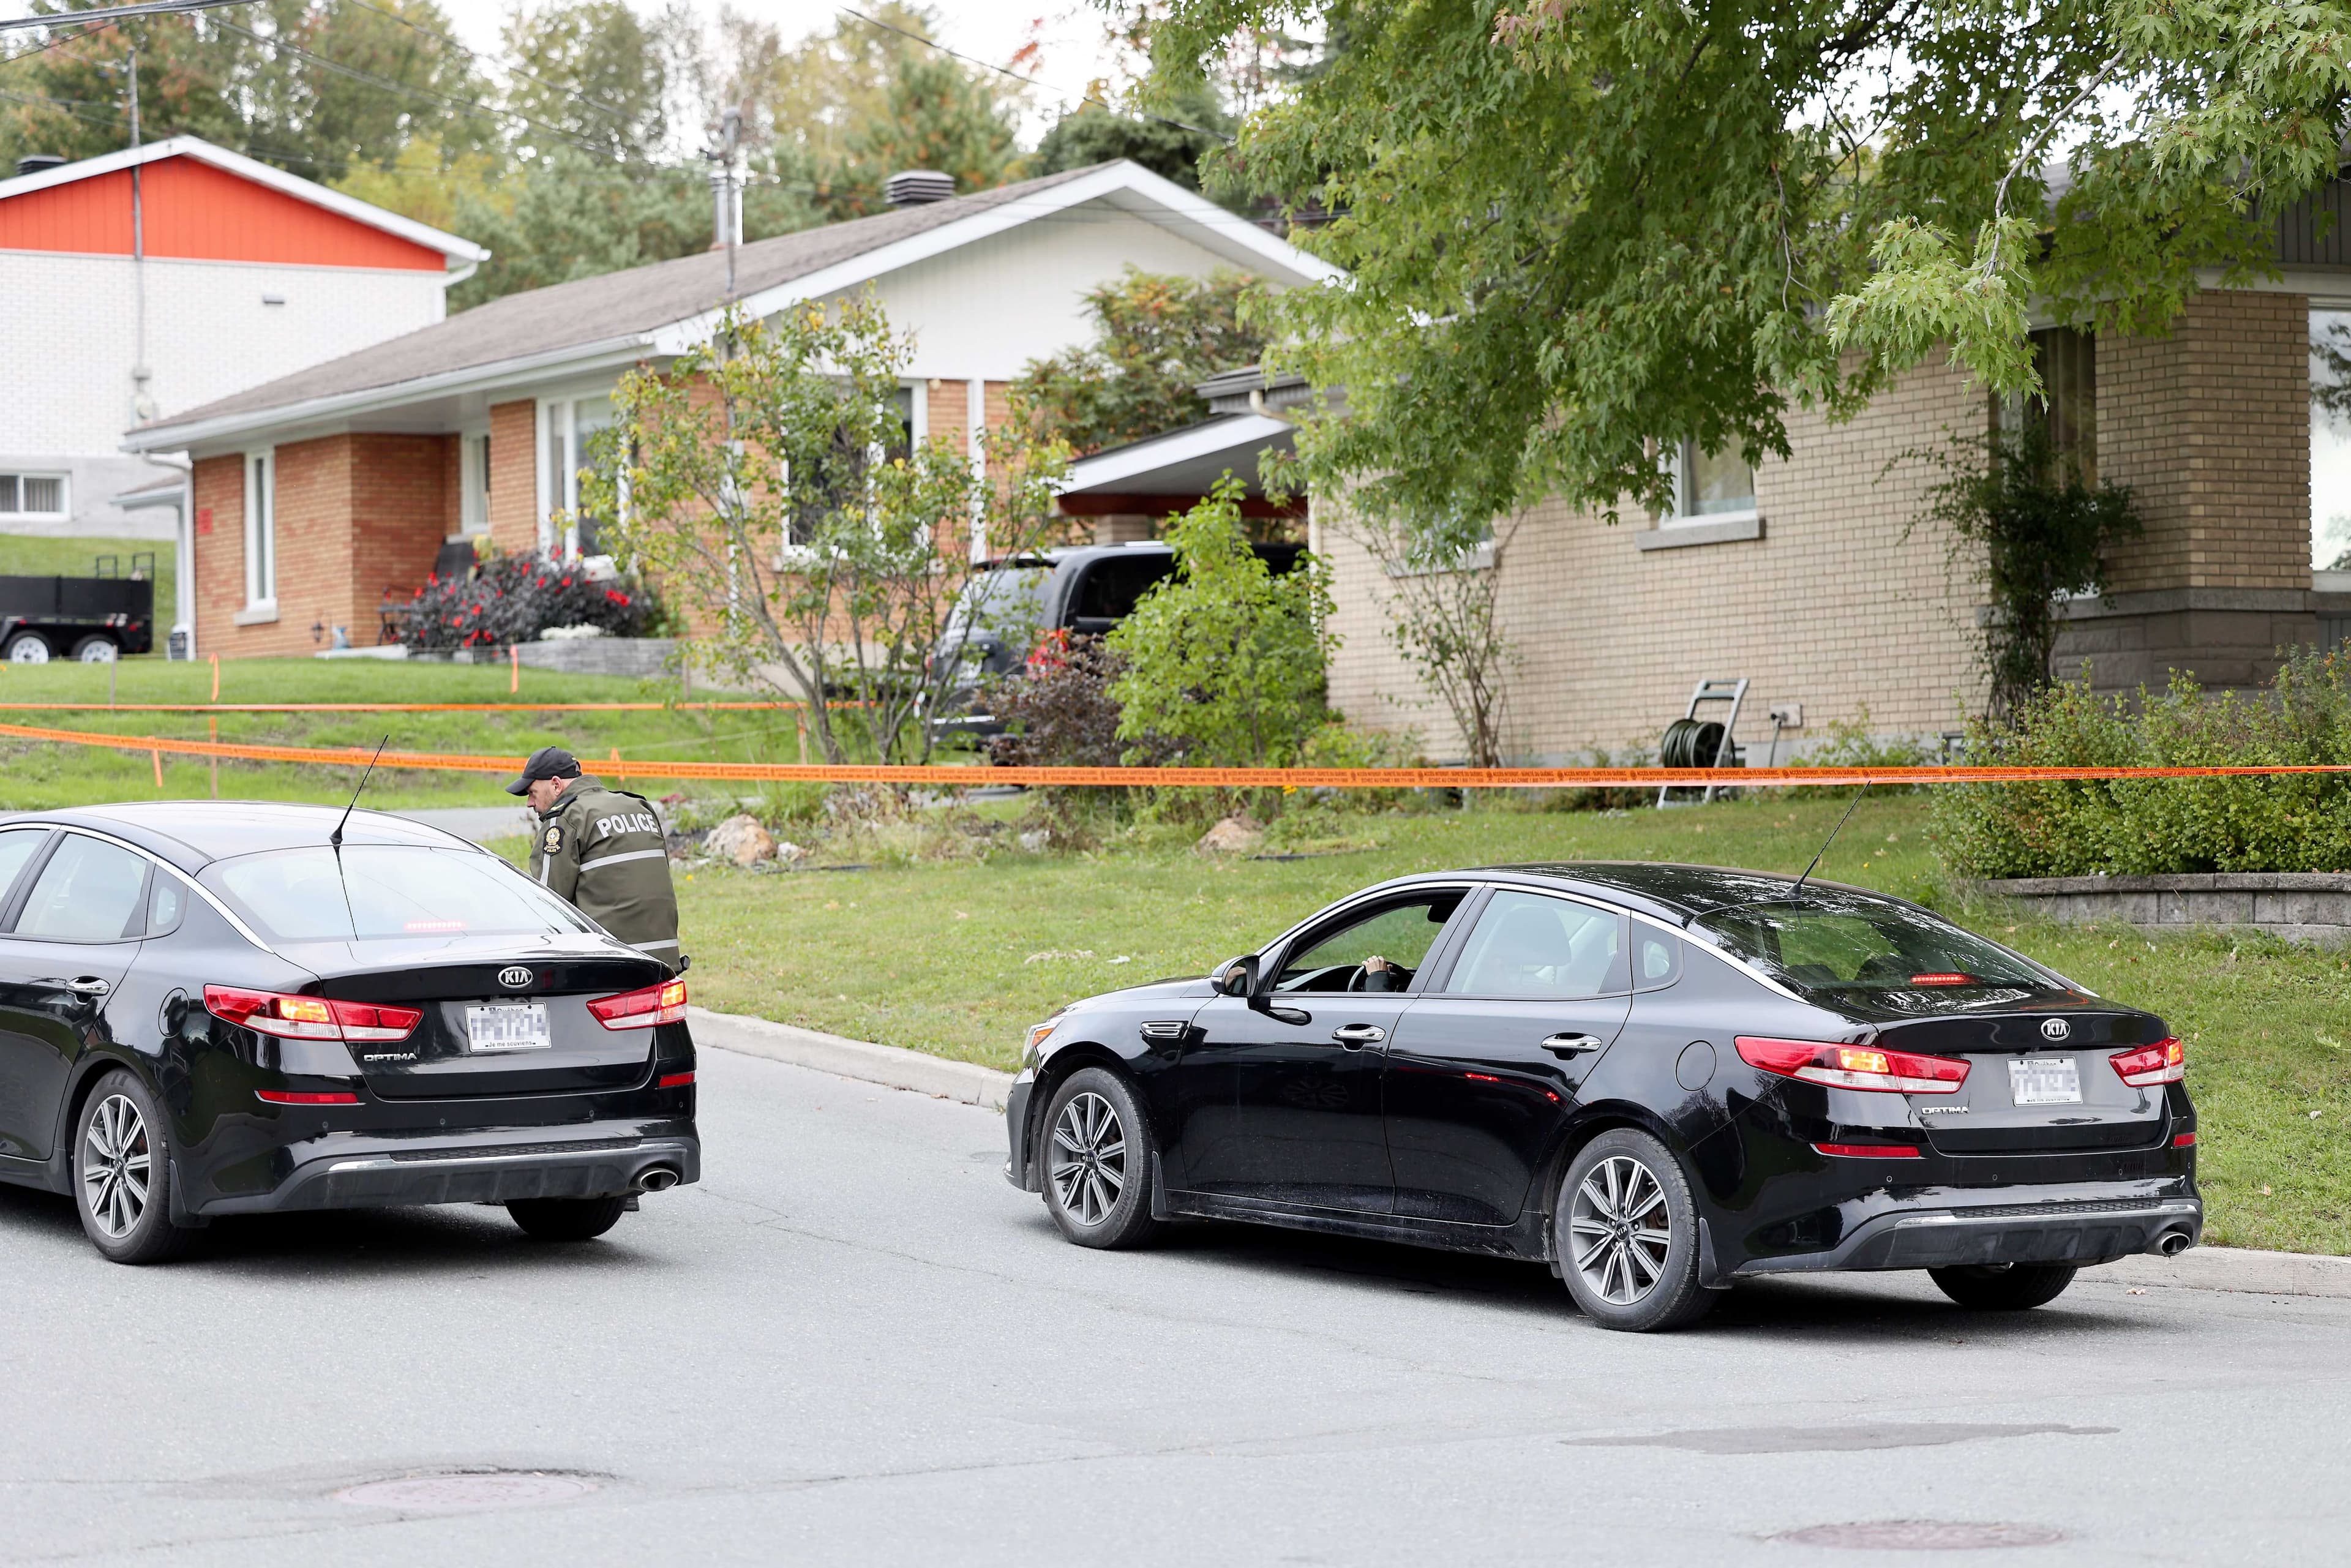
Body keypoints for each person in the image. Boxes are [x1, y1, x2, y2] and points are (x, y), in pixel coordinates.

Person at [509, 746, 683, 971]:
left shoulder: (564, 819)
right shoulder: (639, 807)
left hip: (611, 963)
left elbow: (548, 906)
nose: (530, 803)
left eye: (532, 793)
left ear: (556, 785)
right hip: (665, 959)